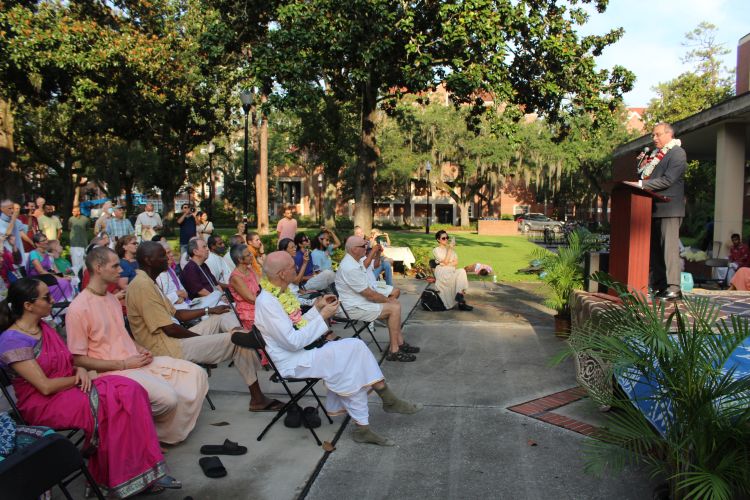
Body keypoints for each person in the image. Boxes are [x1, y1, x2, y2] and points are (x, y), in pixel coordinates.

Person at [0, 277, 174, 496]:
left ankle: (138, 470)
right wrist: (78, 379)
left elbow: (69, 360)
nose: (53, 301)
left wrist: (81, 370)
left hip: (70, 387)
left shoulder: (43, 327)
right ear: (28, 305)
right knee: (112, 406)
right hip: (44, 403)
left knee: (131, 390)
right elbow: (44, 387)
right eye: (46, 297)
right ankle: (118, 477)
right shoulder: (12, 341)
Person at [252, 251, 422, 445]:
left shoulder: (282, 293)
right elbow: (293, 342)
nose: (297, 268)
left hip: (303, 352)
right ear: (282, 274)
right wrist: (324, 316)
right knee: (353, 352)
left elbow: (297, 325)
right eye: (292, 266)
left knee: (353, 355)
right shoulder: (267, 302)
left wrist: (317, 309)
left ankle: (369, 421)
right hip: (292, 362)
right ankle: (383, 402)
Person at [66, 247, 208, 445]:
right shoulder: (78, 308)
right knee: (168, 398)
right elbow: (78, 358)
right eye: (115, 266)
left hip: (134, 361)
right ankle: (142, 432)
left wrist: (139, 347)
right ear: (98, 268)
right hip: (110, 372)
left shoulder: (111, 299)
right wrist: (124, 363)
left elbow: (120, 334)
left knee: (196, 374)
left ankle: (162, 434)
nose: (121, 270)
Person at [126, 241, 283, 412]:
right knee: (238, 341)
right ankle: (257, 397)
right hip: (167, 346)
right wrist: (204, 340)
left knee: (223, 316)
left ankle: (245, 335)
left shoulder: (149, 282)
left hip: (172, 337)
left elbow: (178, 314)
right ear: (149, 260)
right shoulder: (142, 286)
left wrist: (210, 310)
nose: (168, 258)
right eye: (162, 255)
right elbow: (169, 328)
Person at [335, 236, 419, 362]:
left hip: (359, 301)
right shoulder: (350, 267)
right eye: (363, 246)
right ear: (353, 249)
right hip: (353, 307)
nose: (366, 248)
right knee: (394, 307)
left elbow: (369, 286)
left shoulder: (354, 260)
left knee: (394, 305)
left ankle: (398, 344)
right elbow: (369, 294)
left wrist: (387, 300)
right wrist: (387, 300)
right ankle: (394, 351)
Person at [639, 122, 686, 301]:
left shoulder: (677, 153)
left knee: (669, 249)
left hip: (670, 208)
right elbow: (646, 175)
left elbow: (668, 180)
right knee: (656, 250)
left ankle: (674, 288)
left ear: (669, 134)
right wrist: (642, 170)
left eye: (657, 135)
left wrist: (642, 185)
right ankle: (659, 285)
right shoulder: (655, 155)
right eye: (653, 135)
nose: (654, 138)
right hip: (653, 208)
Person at [26, 233, 75, 302]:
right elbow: (41, 271)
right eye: (43, 241)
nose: (46, 242)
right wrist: (60, 278)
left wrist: (65, 276)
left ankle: (66, 302)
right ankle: (58, 303)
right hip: (37, 280)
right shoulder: (33, 254)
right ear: (37, 244)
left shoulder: (46, 253)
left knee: (68, 279)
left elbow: (55, 270)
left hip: (47, 277)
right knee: (64, 282)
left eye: (46, 239)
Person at [433, 230, 473, 311]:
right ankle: (461, 304)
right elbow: (446, 261)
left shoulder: (452, 251)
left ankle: (459, 296)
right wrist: (450, 250)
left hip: (451, 271)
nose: (446, 240)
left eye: (447, 238)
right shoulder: (436, 250)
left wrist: (445, 263)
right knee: (459, 276)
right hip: (442, 272)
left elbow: (456, 263)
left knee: (462, 271)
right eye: (443, 238)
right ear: (438, 240)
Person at [228, 244, 260, 330]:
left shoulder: (250, 270)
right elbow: (251, 299)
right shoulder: (235, 278)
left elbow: (262, 286)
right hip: (249, 314)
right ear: (240, 259)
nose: (251, 256)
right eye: (248, 255)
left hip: (259, 306)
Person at [155, 242, 192, 309]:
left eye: (171, 252)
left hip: (184, 303)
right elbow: (160, 301)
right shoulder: (156, 275)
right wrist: (177, 294)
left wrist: (181, 295)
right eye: (168, 253)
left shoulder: (170, 269)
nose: (172, 255)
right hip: (172, 310)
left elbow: (183, 291)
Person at [0, 199, 31, 266]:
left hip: (19, 254)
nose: (12, 210)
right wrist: (13, 219)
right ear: (2, 209)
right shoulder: (1, 221)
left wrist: (30, 216)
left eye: (13, 208)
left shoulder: (16, 220)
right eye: (9, 208)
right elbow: (7, 234)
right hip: (7, 257)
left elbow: (29, 228)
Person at [67, 205, 90, 273]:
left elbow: (87, 228)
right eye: (72, 211)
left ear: (79, 212)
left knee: (83, 262)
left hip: (83, 244)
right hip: (74, 243)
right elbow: (69, 228)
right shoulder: (71, 219)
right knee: (75, 262)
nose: (73, 212)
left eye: (74, 211)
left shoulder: (85, 219)